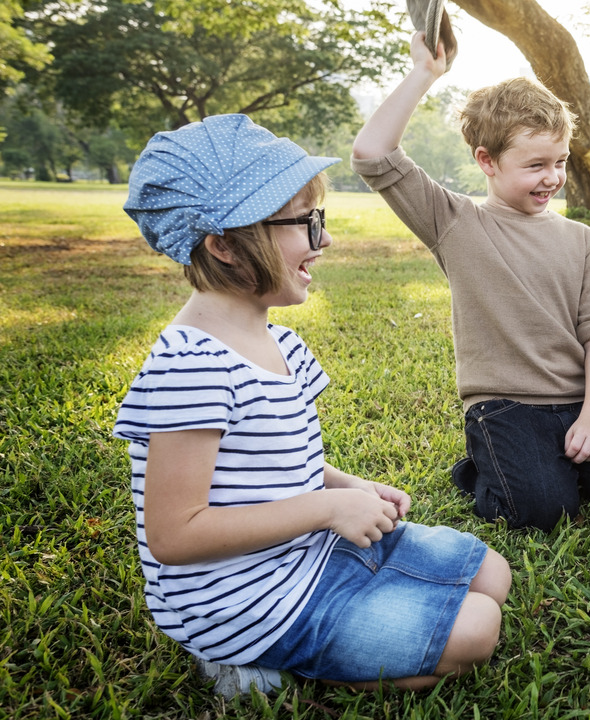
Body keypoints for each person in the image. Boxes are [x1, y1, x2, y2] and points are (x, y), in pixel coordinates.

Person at [115, 115, 510, 697]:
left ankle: (343, 628)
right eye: (306, 223)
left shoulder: (280, 343)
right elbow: (176, 533)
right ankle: (260, 671)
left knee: (493, 576)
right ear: (223, 244)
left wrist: (347, 487)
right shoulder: (192, 367)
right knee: (478, 629)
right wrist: (326, 511)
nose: (325, 241)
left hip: (307, 553)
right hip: (247, 602)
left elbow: (273, 465)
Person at [351, 32, 590, 531]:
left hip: (577, 401)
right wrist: (424, 74)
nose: (552, 177)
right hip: (503, 408)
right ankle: (483, 469)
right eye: (536, 165)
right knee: (542, 513)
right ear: (487, 161)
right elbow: (372, 154)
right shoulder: (454, 222)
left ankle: (554, 464)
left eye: (560, 162)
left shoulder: (582, 239)